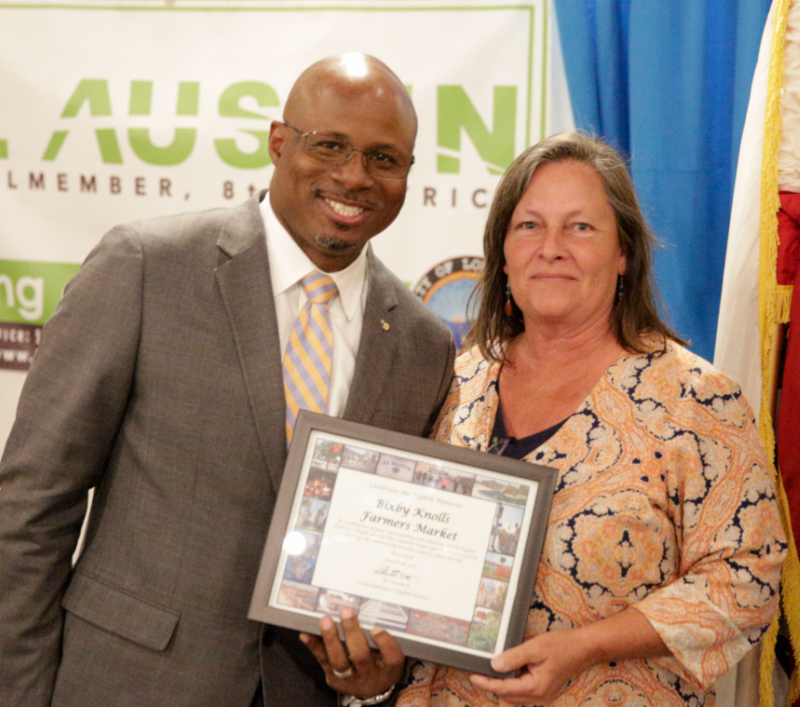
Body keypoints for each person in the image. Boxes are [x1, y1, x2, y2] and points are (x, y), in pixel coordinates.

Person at [0, 53, 455, 707]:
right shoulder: (146, 267)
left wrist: (376, 678)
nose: (355, 176)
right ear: (278, 142)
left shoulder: (423, 344)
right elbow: (32, 507)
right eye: (330, 145)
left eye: (384, 158)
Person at [311, 132, 786, 707]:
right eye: (529, 226)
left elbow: (747, 578)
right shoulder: (451, 381)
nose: (552, 248)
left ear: (623, 254)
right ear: (503, 253)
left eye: (580, 227)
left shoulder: (696, 399)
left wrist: (584, 646)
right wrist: (374, 667)